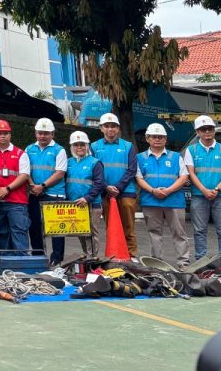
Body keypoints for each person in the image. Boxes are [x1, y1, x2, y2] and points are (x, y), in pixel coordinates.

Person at [137, 122, 190, 267]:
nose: (157, 139)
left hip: (174, 201)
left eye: (160, 137)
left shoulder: (176, 157)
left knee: (179, 233)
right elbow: (138, 178)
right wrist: (153, 191)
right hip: (151, 200)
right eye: (153, 136)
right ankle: (156, 263)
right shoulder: (140, 158)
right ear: (147, 138)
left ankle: (183, 263)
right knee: (154, 232)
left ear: (165, 139)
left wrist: (168, 191)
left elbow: (184, 177)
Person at [92, 112, 138, 258]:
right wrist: (106, 187)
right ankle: (114, 256)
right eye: (106, 126)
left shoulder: (128, 146)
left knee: (128, 226)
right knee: (111, 226)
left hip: (126, 191)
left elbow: (132, 169)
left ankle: (132, 256)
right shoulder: (94, 147)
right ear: (101, 128)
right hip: (104, 192)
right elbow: (93, 171)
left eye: (113, 126)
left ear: (118, 128)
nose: (110, 129)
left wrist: (118, 187)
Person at [0, 119, 32, 254]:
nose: (3, 136)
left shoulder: (20, 154)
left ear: (10, 135)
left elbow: (24, 175)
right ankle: (4, 262)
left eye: (5, 133)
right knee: (0, 234)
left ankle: (22, 262)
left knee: (19, 232)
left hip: (16, 202)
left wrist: (7, 189)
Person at [25, 118, 66, 256]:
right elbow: (25, 171)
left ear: (52, 134)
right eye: (40, 133)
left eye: (46, 133)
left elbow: (60, 173)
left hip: (54, 194)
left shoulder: (59, 150)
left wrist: (42, 186)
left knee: (56, 228)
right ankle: (38, 256)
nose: (43, 136)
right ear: (36, 133)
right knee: (34, 227)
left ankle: (57, 259)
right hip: (34, 193)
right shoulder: (29, 149)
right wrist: (33, 186)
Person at [65, 130, 106, 258]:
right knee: (80, 232)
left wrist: (87, 198)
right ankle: (86, 256)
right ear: (72, 147)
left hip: (91, 204)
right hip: (74, 205)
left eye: (82, 144)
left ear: (87, 146)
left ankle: (92, 259)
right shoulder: (68, 162)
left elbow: (99, 184)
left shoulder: (95, 162)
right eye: (76, 145)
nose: (79, 147)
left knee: (91, 233)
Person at [187, 115, 221, 261]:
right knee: (200, 230)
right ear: (197, 132)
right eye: (203, 129)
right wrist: (204, 190)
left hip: (219, 195)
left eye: (210, 128)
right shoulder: (191, 150)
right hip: (199, 196)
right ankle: (201, 261)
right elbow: (191, 173)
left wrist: (217, 189)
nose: (207, 131)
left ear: (214, 130)